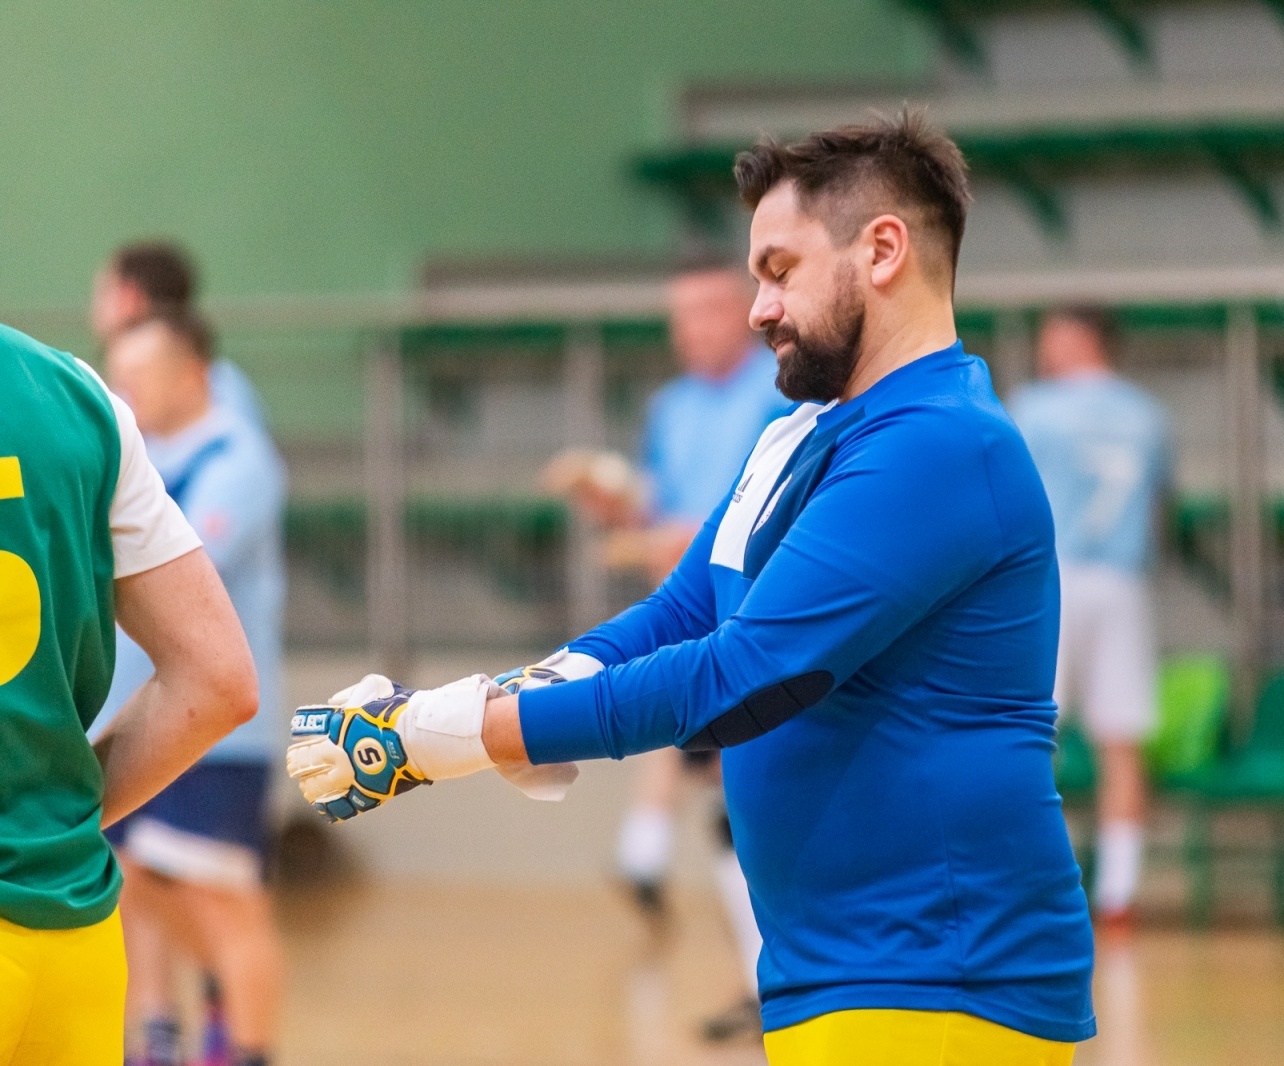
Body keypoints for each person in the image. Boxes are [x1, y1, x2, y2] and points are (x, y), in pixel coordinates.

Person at [288, 111, 1095, 1065]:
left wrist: (438, 741)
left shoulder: (942, 443)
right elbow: (683, 611)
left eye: (780, 271)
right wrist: (496, 698)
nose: (759, 309)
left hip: (941, 979)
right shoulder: (799, 434)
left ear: (884, 251)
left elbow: (747, 674)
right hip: (841, 969)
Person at [0, 321, 256, 1064]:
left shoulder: (235, 456)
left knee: (227, 908)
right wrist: (55, 819)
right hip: (71, 939)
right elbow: (218, 679)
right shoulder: (78, 398)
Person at [545, 262, 787, 1041]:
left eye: (705, 312)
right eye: (679, 317)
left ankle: (768, 974)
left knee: (742, 797)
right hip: (695, 615)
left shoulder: (779, 394)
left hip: (762, 618)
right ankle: (765, 981)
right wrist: (614, 503)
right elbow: (658, 508)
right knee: (728, 800)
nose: (691, 331)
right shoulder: (671, 407)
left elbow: (769, 511)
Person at [88, 310, 289, 1066]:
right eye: (116, 376)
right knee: (131, 880)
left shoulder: (238, 458)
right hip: (135, 717)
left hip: (216, 732)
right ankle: (163, 1033)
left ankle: (249, 1046)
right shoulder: (134, 454)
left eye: (139, 376)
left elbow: (183, 561)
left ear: (193, 376)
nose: (124, 390)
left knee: (223, 900)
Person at [1009, 307, 1172, 932]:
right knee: (1121, 741)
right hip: (1123, 581)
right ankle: (1118, 894)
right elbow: (1159, 510)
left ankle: (1025, 883)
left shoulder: (1035, 409)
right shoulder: (1149, 415)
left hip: (1050, 581)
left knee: (1027, 733)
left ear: (1081, 339)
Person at [91, 239, 267, 426]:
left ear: (129, 296)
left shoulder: (217, 392)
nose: (94, 305)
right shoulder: (228, 382)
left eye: (103, 291)